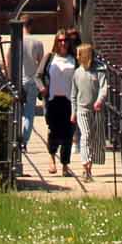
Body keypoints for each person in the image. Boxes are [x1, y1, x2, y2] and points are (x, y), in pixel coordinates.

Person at [4, 16, 46, 159]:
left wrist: (9, 77)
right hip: (32, 81)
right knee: (29, 114)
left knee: (16, 112)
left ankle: (15, 138)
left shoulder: (16, 41)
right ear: (31, 25)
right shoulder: (38, 43)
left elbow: (8, 58)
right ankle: (24, 143)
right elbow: (41, 65)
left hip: (18, 80)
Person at [42, 27, 78, 176]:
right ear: (56, 42)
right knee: (54, 132)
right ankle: (51, 158)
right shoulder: (50, 58)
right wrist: (42, 88)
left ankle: (65, 165)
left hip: (69, 100)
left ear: (69, 43)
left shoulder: (74, 59)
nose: (63, 43)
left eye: (65, 41)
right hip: (53, 100)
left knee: (68, 134)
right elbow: (38, 76)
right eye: (60, 40)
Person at [72, 42, 109, 182]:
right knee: (85, 135)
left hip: (96, 110)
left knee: (94, 139)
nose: (76, 56)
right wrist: (73, 112)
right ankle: (85, 164)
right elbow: (73, 94)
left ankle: (88, 169)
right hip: (82, 109)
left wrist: (99, 100)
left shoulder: (98, 71)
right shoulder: (77, 73)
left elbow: (103, 88)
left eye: (79, 54)